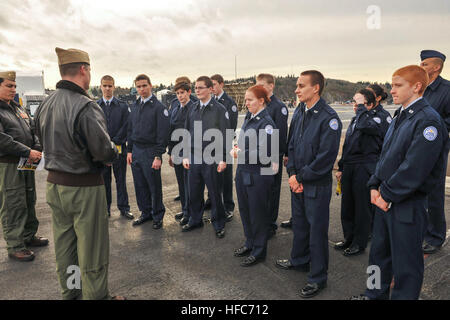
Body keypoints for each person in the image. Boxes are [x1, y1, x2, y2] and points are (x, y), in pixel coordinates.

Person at [34, 48, 124, 300]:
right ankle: (96, 296)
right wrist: (111, 156)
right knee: (92, 248)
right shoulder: (85, 105)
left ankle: (72, 293)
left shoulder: (46, 103)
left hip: (54, 186)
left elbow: (38, 138)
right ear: (83, 69)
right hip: (83, 187)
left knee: (66, 248)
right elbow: (103, 150)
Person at [352, 65, 447, 300]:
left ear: (416, 87)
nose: (391, 90)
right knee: (378, 257)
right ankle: (373, 295)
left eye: (397, 85)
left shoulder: (428, 121)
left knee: (406, 267)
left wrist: (385, 193)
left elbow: (414, 169)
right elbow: (386, 157)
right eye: (392, 85)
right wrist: (374, 185)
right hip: (385, 200)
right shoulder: (401, 115)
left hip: (406, 205)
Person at [276, 70, 342, 298]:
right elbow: (292, 145)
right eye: (296, 85)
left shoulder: (329, 118)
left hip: (316, 186)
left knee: (317, 232)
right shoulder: (300, 112)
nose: (296, 90)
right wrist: (293, 173)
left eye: (301, 86)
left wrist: (301, 178)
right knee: (301, 226)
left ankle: (317, 277)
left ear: (316, 88)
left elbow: (325, 158)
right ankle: (299, 260)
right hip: (299, 181)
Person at [0, 70, 47, 262]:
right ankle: (15, 245)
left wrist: (36, 146)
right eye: (8, 86)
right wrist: (27, 151)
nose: (13, 89)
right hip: (9, 164)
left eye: (15, 86)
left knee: (28, 197)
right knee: (13, 203)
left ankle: (28, 236)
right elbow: (2, 139)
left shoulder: (17, 108)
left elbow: (32, 129)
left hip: (25, 161)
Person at [334, 89, 384, 256]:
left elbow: (365, 126)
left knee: (362, 208)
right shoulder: (357, 119)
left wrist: (363, 109)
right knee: (347, 205)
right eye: (355, 104)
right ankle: (349, 238)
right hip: (350, 166)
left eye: (360, 104)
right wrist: (341, 167)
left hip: (365, 166)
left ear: (369, 104)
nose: (355, 108)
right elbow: (348, 145)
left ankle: (359, 242)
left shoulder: (378, 118)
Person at [232, 85, 277, 266]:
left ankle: (259, 250)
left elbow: (265, 154)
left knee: (258, 214)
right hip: (244, 172)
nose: (246, 102)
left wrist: (240, 153)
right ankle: (249, 242)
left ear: (261, 101)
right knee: (245, 211)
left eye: (250, 99)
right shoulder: (250, 118)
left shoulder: (267, 124)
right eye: (246, 99)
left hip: (258, 175)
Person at [182, 76, 230, 238]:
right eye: (196, 88)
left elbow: (225, 135)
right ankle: (195, 220)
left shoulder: (219, 109)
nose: (197, 91)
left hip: (212, 157)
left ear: (210, 89)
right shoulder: (193, 108)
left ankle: (218, 223)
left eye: (201, 88)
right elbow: (187, 133)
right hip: (194, 157)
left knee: (215, 193)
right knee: (194, 192)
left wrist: (223, 158)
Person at [127, 74, 170, 229]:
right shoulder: (135, 106)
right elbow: (130, 129)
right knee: (140, 185)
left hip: (151, 151)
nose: (142, 89)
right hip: (136, 150)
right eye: (138, 86)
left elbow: (162, 134)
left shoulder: (159, 108)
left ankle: (157, 215)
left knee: (154, 186)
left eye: (144, 85)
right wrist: (129, 150)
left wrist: (158, 155)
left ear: (151, 85)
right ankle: (145, 213)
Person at [419, 50, 450, 254]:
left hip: (436, 148)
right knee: (418, 191)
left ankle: (436, 236)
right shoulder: (421, 88)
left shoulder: (447, 89)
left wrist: (433, 127)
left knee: (434, 193)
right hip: (417, 147)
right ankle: (423, 231)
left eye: (424, 64)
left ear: (436, 67)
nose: (420, 67)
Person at [256, 73, 288, 238]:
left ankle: (270, 225)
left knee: (272, 191)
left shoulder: (278, 106)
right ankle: (262, 221)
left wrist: (276, 157)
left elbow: (281, 135)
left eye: (261, 84)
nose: (258, 88)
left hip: (271, 157)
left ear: (271, 86)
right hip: (259, 156)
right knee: (261, 191)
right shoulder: (260, 104)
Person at [97, 75, 133, 220]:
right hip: (102, 151)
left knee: (121, 180)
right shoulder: (95, 107)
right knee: (104, 181)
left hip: (119, 150)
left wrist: (115, 141)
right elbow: (94, 127)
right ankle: (105, 209)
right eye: (105, 85)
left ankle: (124, 208)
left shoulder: (123, 106)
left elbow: (127, 126)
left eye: (110, 86)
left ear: (114, 87)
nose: (107, 88)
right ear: (100, 87)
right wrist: (106, 143)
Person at [210, 74, 238, 221]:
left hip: (225, 144)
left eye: (214, 84)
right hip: (211, 146)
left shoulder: (229, 103)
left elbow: (231, 127)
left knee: (226, 177)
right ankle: (213, 201)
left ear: (221, 84)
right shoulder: (212, 101)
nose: (212, 87)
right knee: (213, 175)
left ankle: (228, 206)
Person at [168, 80, 194, 226]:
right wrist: (171, 152)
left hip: (189, 153)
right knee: (181, 184)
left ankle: (192, 212)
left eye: (182, 93)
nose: (180, 96)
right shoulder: (176, 109)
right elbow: (172, 132)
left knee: (190, 184)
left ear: (189, 92)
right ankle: (185, 210)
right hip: (177, 152)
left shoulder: (194, 109)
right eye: (177, 93)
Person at [280, 101, 304, 229]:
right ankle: (295, 219)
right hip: (293, 156)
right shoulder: (299, 108)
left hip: (303, 162)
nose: (297, 90)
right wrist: (287, 153)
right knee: (294, 192)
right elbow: (292, 131)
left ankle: (301, 222)